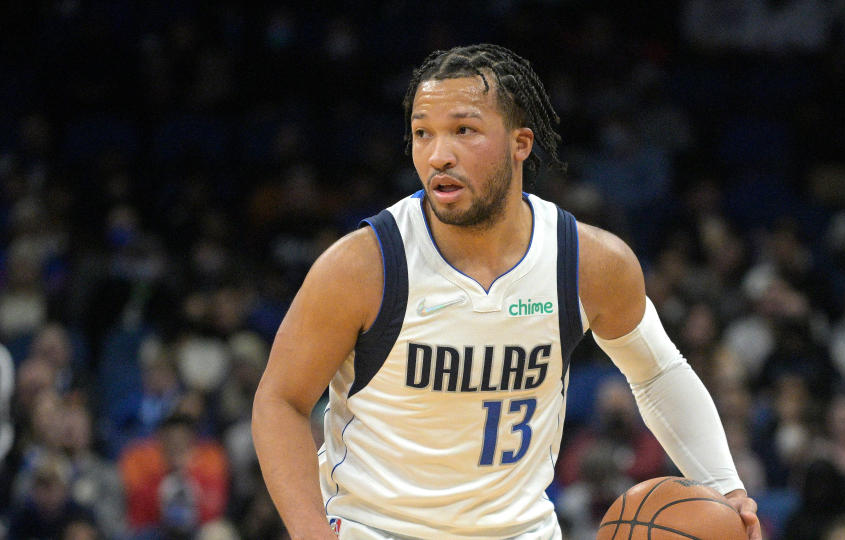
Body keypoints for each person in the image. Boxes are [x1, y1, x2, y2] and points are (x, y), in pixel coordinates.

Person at [252, 43, 760, 539]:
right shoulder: (363, 265)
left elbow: (658, 373)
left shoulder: (588, 262)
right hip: (378, 527)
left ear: (521, 143)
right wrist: (310, 531)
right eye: (422, 134)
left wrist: (726, 488)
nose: (438, 154)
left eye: (464, 130)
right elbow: (281, 400)